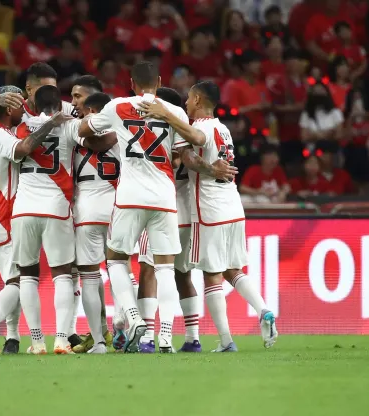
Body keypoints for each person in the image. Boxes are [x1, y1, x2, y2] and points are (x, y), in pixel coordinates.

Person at [78, 61, 235, 352]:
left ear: (131, 83)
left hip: (130, 196)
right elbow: (195, 142)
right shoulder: (174, 111)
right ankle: (165, 337)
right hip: (164, 197)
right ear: (160, 80)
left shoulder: (117, 106)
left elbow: (83, 128)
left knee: (114, 259)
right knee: (165, 269)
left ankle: (135, 319)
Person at [144, 81, 278, 352]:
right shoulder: (224, 128)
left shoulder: (199, 128)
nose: (185, 104)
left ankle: (227, 340)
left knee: (212, 275)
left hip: (209, 209)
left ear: (195, 99)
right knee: (233, 270)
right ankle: (263, 309)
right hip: (233, 206)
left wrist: (165, 115)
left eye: (188, 100)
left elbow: (194, 150)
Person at [0, 85, 68, 355]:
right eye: (20, 104)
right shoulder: (1, 135)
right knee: (19, 280)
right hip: (2, 217)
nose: (24, 109)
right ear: (8, 108)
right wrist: (51, 124)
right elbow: (23, 149)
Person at [12, 85, 86, 355]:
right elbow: (94, 140)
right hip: (56, 208)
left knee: (28, 275)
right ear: (61, 103)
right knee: (63, 275)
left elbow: (20, 151)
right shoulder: (71, 125)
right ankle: (62, 339)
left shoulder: (22, 126)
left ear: (33, 102)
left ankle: (36, 341)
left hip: (24, 209)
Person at [135, 87, 192, 353]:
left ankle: (148, 335)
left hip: (158, 205)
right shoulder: (185, 133)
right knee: (179, 273)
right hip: (183, 210)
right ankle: (189, 337)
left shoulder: (155, 133)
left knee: (150, 271)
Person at [68, 89, 121, 354]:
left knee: (89, 277)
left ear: (91, 111)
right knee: (121, 270)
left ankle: (99, 341)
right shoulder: (123, 134)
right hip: (117, 207)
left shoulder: (73, 131)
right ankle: (125, 328)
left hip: (86, 209)